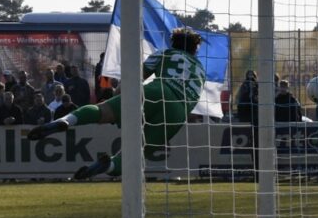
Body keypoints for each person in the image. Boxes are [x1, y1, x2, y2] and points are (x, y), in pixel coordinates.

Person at [29, 27, 206, 181]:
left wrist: (118, 99)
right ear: (194, 50)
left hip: (157, 91)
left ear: (173, 43)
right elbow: (193, 104)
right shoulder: (201, 71)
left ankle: (67, 121)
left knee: (101, 111)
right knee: (135, 156)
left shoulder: (166, 53)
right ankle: (107, 166)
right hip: (178, 112)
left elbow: (136, 76)